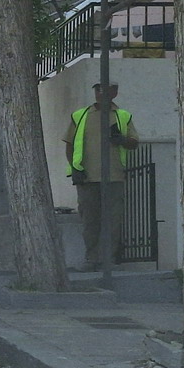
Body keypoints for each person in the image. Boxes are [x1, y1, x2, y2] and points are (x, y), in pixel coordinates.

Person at [63, 80, 139, 270]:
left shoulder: (123, 116)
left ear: (115, 92)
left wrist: (121, 139)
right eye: (98, 89)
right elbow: (69, 144)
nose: (101, 92)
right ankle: (91, 259)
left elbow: (134, 142)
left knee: (113, 221)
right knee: (90, 221)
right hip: (87, 178)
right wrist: (75, 168)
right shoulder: (80, 115)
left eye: (106, 88)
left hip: (113, 177)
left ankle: (109, 260)